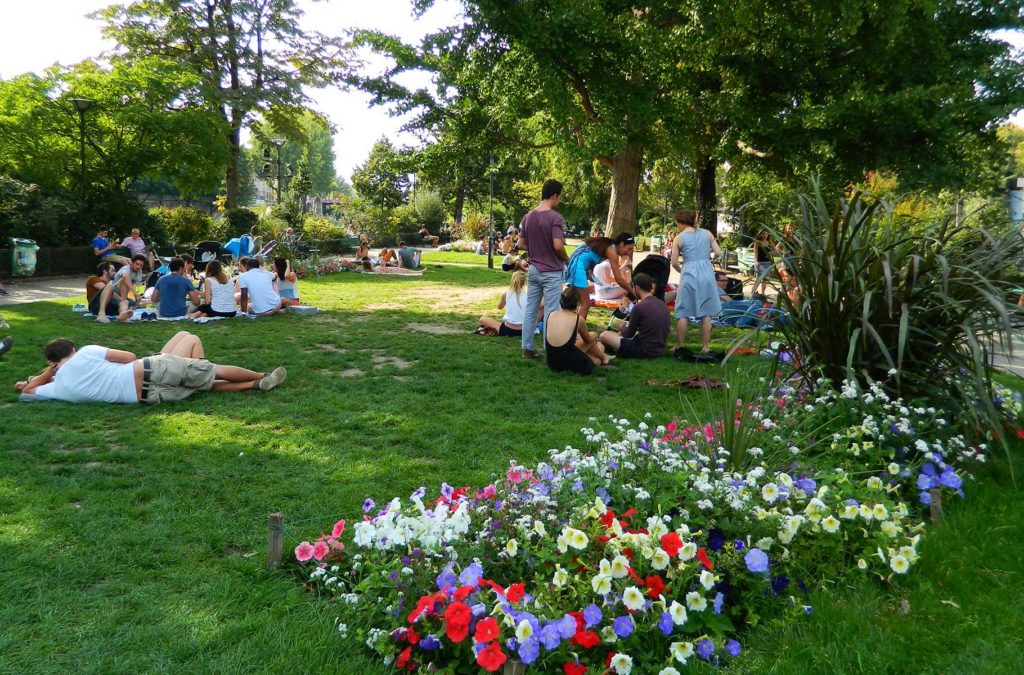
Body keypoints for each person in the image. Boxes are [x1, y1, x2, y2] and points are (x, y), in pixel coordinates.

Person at [15, 332, 286, 404]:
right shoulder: (86, 353)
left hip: (150, 398)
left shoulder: (59, 387)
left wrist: (48, 373)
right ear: (71, 350)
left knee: (202, 384)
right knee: (210, 371)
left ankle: (254, 385)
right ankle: (261, 376)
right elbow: (129, 355)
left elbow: (26, 392)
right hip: (149, 369)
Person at [518, 179, 569, 359]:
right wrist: (566, 257)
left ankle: (527, 348)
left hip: (533, 269)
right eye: (559, 197)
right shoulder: (555, 217)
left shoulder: (528, 216)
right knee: (551, 311)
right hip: (551, 272)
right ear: (555, 196)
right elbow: (557, 245)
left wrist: (536, 248)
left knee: (531, 309)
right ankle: (551, 350)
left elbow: (521, 244)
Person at [671, 209, 723, 353]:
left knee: (683, 310)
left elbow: (674, 262)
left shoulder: (679, 238)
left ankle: (679, 345)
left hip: (688, 272)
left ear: (681, 223)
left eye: (677, 224)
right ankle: (705, 346)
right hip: (706, 272)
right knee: (707, 311)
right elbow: (718, 253)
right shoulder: (707, 233)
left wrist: (683, 270)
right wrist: (706, 259)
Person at [564, 234, 635, 319]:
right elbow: (618, 278)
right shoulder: (612, 251)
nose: (629, 252)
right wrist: (633, 292)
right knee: (586, 303)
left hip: (573, 264)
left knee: (573, 299)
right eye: (629, 248)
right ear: (622, 244)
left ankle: (571, 325)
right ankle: (577, 331)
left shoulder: (607, 245)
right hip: (576, 266)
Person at [544, 286, 612, 374]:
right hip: (568, 359)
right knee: (597, 358)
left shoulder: (552, 314)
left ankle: (603, 356)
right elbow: (588, 340)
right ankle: (603, 357)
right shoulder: (578, 319)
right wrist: (595, 334)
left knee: (583, 343)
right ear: (578, 302)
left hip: (552, 362)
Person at [599, 273, 669, 358]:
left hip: (643, 350)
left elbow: (629, 333)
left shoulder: (639, 306)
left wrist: (622, 326)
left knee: (605, 335)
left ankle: (605, 348)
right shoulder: (662, 304)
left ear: (637, 287)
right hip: (659, 349)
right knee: (622, 335)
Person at [477, 270, 531, 337]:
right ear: (524, 282)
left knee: (482, 319)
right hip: (523, 330)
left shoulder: (507, 293)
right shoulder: (527, 296)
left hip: (507, 329)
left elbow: (500, 307)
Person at [753, 230, 774, 298]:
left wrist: (771, 253)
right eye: (763, 234)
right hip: (760, 263)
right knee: (758, 279)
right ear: (760, 234)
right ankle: (753, 292)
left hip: (767, 262)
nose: (765, 235)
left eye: (766, 234)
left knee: (765, 279)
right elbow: (755, 252)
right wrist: (756, 261)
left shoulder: (769, 242)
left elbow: (774, 249)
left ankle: (763, 293)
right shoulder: (757, 242)